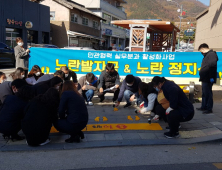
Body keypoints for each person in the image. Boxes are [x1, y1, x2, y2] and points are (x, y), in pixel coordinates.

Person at [197, 43, 218, 114]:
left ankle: (209, 108)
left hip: (208, 78)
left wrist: (211, 77)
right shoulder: (207, 55)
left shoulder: (211, 55)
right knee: (204, 93)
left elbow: (212, 66)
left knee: (208, 93)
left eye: (201, 51)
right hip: (204, 78)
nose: (201, 53)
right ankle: (204, 106)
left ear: (203, 49)